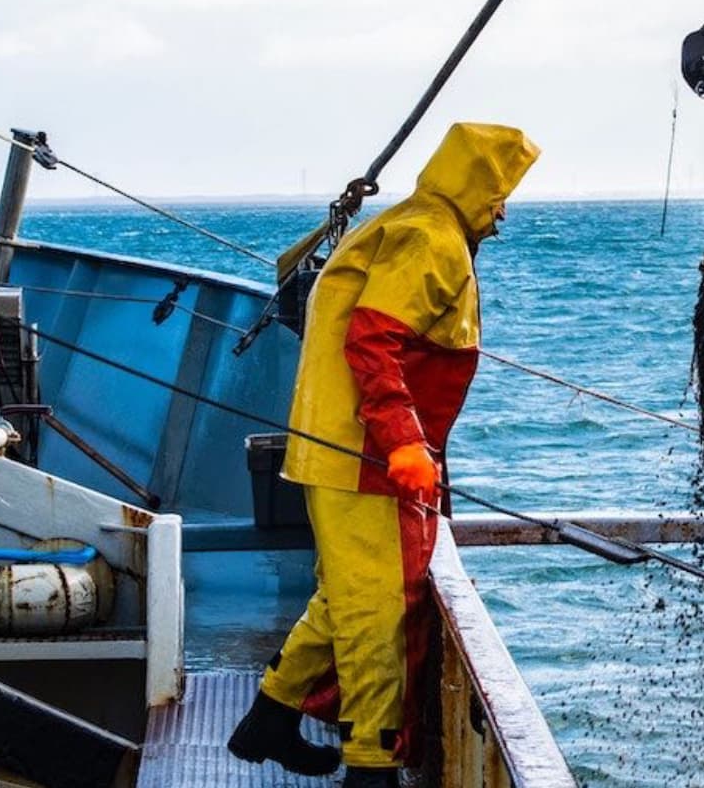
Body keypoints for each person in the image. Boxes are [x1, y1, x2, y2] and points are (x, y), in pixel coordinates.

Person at [228, 122, 540, 787]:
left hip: (340, 448)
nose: (504, 210)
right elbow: (372, 342)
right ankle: (370, 767)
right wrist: (402, 443)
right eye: (501, 194)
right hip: (362, 456)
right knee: (378, 612)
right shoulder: (431, 240)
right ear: (478, 186)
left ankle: (272, 716)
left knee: (348, 596)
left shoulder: (413, 222)